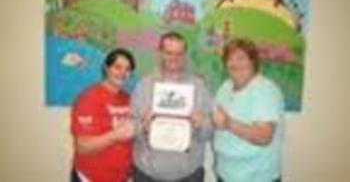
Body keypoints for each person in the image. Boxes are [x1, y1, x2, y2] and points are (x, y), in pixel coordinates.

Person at [132, 31, 213, 182]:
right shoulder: (143, 86)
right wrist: (143, 126)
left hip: (188, 174)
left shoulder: (199, 87)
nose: (174, 58)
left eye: (179, 54)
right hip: (147, 174)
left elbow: (209, 133)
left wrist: (201, 124)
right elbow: (130, 130)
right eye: (169, 53)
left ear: (185, 55)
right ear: (160, 53)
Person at [212, 39, 285, 182]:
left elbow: (263, 136)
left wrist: (229, 124)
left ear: (253, 61)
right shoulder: (225, 87)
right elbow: (218, 122)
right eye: (230, 58)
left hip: (255, 177)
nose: (234, 64)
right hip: (226, 173)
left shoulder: (265, 90)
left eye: (241, 58)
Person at [70, 48, 136, 182]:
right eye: (118, 67)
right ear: (106, 68)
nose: (123, 73)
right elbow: (83, 147)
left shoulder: (127, 98)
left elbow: (130, 136)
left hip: (121, 176)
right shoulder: (88, 98)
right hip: (91, 177)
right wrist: (116, 135)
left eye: (128, 69)